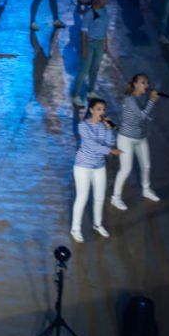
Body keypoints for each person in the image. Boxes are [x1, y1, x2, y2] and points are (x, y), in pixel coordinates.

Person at [111, 74, 166, 208]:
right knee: (126, 169)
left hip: (141, 137)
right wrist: (152, 101)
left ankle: (146, 189)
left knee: (146, 166)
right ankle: (115, 197)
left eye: (147, 83)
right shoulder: (129, 99)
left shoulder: (144, 97)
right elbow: (141, 116)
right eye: (143, 82)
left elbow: (149, 117)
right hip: (126, 138)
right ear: (135, 84)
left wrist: (152, 102)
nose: (146, 85)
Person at [71, 97, 121, 243]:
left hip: (99, 166)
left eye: (103, 109)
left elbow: (110, 142)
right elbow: (92, 145)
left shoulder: (103, 126)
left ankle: (98, 224)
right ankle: (75, 228)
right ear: (91, 110)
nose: (102, 112)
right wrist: (110, 151)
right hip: (83, 166)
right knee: (82, 197)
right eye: (99, 109)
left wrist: (109, 129)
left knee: (99, 197)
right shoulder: (83, 126)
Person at [73, 0, 111, 106]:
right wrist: (84, 48)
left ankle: (90, 92)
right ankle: (76, 95)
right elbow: (83, 32)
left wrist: (106, 44)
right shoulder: (89, 14)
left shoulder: (104, 10)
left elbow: (104, 29)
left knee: (95, 69)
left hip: (99, 44)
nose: (105, 1)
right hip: (90, 44)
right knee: (84, 69)